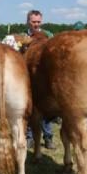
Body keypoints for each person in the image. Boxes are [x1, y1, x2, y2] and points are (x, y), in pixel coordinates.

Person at [25, 10, 56, 149]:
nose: (36, 24)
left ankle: (48, 137)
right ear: (28, 21)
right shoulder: (24, 37)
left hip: (44, 78)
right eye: (33, 22)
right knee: (30, 109)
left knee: (46, 107)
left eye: (38, 22)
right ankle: (30, 137)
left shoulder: (49, 36)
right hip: (28, 78)